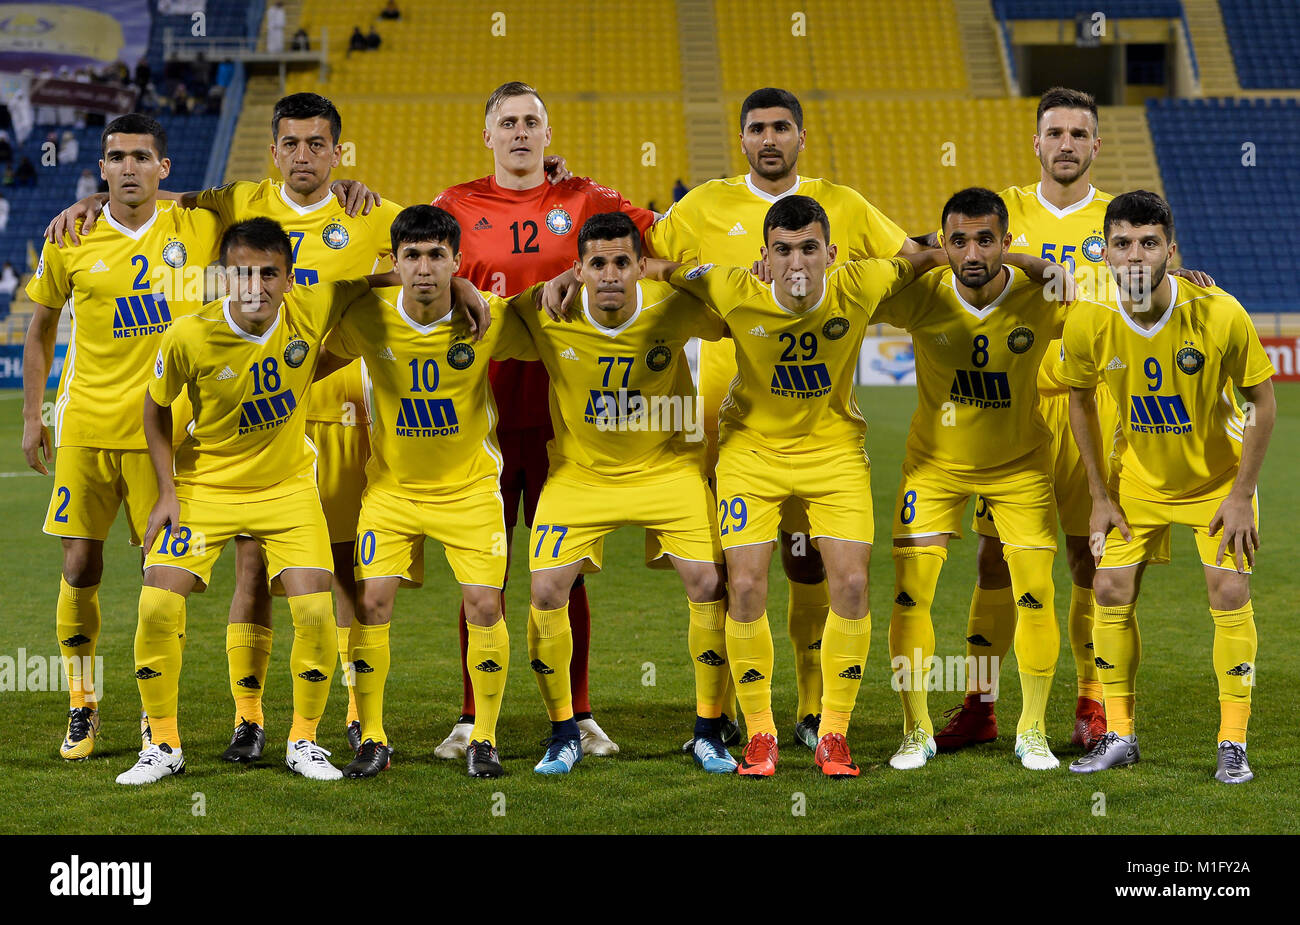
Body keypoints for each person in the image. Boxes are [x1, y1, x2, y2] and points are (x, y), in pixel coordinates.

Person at [42, 92, 429, 765]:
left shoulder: (373, 213)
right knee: (252, 571)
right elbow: (164, 194)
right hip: (245, 425)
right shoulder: (240, 203)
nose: (302, 155)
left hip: (345, 419)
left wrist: (476, 286)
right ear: (273, 149)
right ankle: (248, 719)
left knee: (348, 578)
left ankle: (359, 719)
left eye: (317, 144)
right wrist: (94, 202)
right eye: (291, 143)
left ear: (339, 152)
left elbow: (432, 255)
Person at [930, 87, 1218, 755]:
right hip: (1018, 417)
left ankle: (1095, 703)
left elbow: (1156, 292)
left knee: (1097, 561)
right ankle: (982, 703)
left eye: (1078, 134)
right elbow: (948, 268)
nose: (1065, 144)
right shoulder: (1001, 215)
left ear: (1095, 144)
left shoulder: (1119, 221)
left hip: (1105, 419)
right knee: (994, 558)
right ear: (1036, 142)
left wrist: (1188, 283)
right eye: (1054, 132)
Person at [637, 87, 925, 752]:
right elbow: (646, 257)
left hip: (819, 420)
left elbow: (910, 257)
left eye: (782, 128)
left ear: (801, 136)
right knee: (720, 575)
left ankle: (815, 709)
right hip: (722, 419)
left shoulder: (844, 204)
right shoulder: (705, 203)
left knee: (810, 566)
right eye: (758, 129)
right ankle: (720, 715)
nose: (769, 139)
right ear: (741, 139)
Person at [428, 80, 655, 761]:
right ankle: (473, 716)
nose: (521, 132)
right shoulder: (453, 206)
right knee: (483, 574)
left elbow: (665, 238)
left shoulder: (588, 200)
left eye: (532, 121)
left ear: (548, 136)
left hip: (567, 423)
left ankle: (578, 714)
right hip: (481, 421)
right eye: (509, 122)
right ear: (489, 135)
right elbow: (409, 272)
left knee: (566, 573)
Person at [117, 218, 387, 785]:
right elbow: (154, 409)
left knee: (315, 611)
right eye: (242, 272)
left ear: (290, 279)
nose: (255, 285)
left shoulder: (313, 308)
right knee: (157, 605)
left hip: (288, 488)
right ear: (222, 276)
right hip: (204, 487)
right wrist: (167, 491)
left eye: (269, 273)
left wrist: (460, 288)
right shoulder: (188, 335)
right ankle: (162, 744)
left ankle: (304, 741)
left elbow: (384, 280)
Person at [22, 113, 222, 762]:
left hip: (167, 435)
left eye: (142, 156)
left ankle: (153, 716)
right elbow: (39, 328)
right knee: (79, 565)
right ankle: (82, 703)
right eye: (116, 156)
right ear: (100, 166)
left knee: (160, 578)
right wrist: (32, 417)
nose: (128, 166)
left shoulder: (197, 224)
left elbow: (277, 203)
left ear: (165, 168)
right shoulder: (70, 237)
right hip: (83, 428)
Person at [1063, 191, 1275, 784]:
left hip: (1217, 482)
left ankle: (1232, 743)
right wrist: (1100, 497)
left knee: (1229, 594)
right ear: (1105, 252)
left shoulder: (1219, 312)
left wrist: (1241, 495)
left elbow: (1262, 401)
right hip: (1138, 483)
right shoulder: (1086, 318)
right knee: (1109, 587)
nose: (1136, 255)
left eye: (1149, 242)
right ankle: (1120, 735)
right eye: (1123, 243)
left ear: (1171, 250)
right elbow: (1079, 399)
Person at [316, 205, 535, 779]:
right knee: (371, 604)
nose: (424, 268)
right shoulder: (368, 314)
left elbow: (558, 312)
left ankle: (483, 737)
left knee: (485, 605)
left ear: (457, 262)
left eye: (438, 256)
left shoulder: (489, 317)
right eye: (411, 256)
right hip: (390, 491)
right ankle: (374, 736)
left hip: (470, 490)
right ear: (395, 262)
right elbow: (325, 299)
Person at [514, 212, 732, 775]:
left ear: (640, 266)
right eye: (597, 264)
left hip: (667, 470)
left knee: (709, 582)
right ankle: (564, 732)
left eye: (621, 263)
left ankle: (710, 729)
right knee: (544, 591)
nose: (609, 275)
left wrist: (675, 270)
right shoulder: (546, 311)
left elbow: (738, 308)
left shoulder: (672, 305)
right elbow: (474, 317)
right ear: (579, 269)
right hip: (581, 476)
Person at [876, 188, 1073, 772]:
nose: (971, 252)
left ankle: (1031, 730)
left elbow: (1096, 293)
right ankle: (916, 732)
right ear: (943, 243)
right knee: (912, 595)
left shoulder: (1040, 296)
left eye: (985, 239)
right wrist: (920, 256)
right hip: (933, 469)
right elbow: (855, 287)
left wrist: (1034, 264)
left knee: (1035, 595)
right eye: (957, 240)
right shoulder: (922, 297)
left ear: (1006, 243)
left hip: (1019, 468)